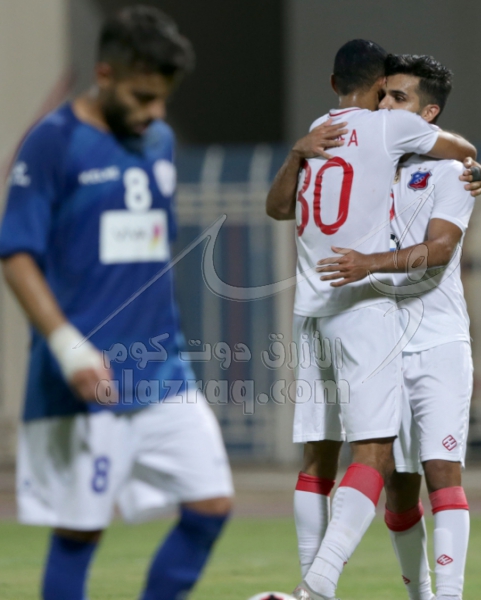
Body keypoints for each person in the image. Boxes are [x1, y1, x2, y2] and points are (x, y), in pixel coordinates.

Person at [0, 6, 233, 600]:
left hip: (160, 368)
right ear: (104, 74)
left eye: (163, 99)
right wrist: (68, 347)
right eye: (142, 96)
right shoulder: (52, 143)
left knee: (210, 505)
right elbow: (16, 254)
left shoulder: (158, 141)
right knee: (80, 532)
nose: (155, 112)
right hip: (83, 379)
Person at [266, 39, 481, 600]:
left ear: (427, 112)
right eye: (384, 95)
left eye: (398, 98)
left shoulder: (451, 172)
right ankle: (416, 593)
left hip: (434, 336)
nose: (385, 106)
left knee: (440, 472)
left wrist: (369, 263)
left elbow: (439, 250)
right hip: (378, 329)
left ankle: (444, 596)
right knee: (397, 488)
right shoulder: (377, 153)